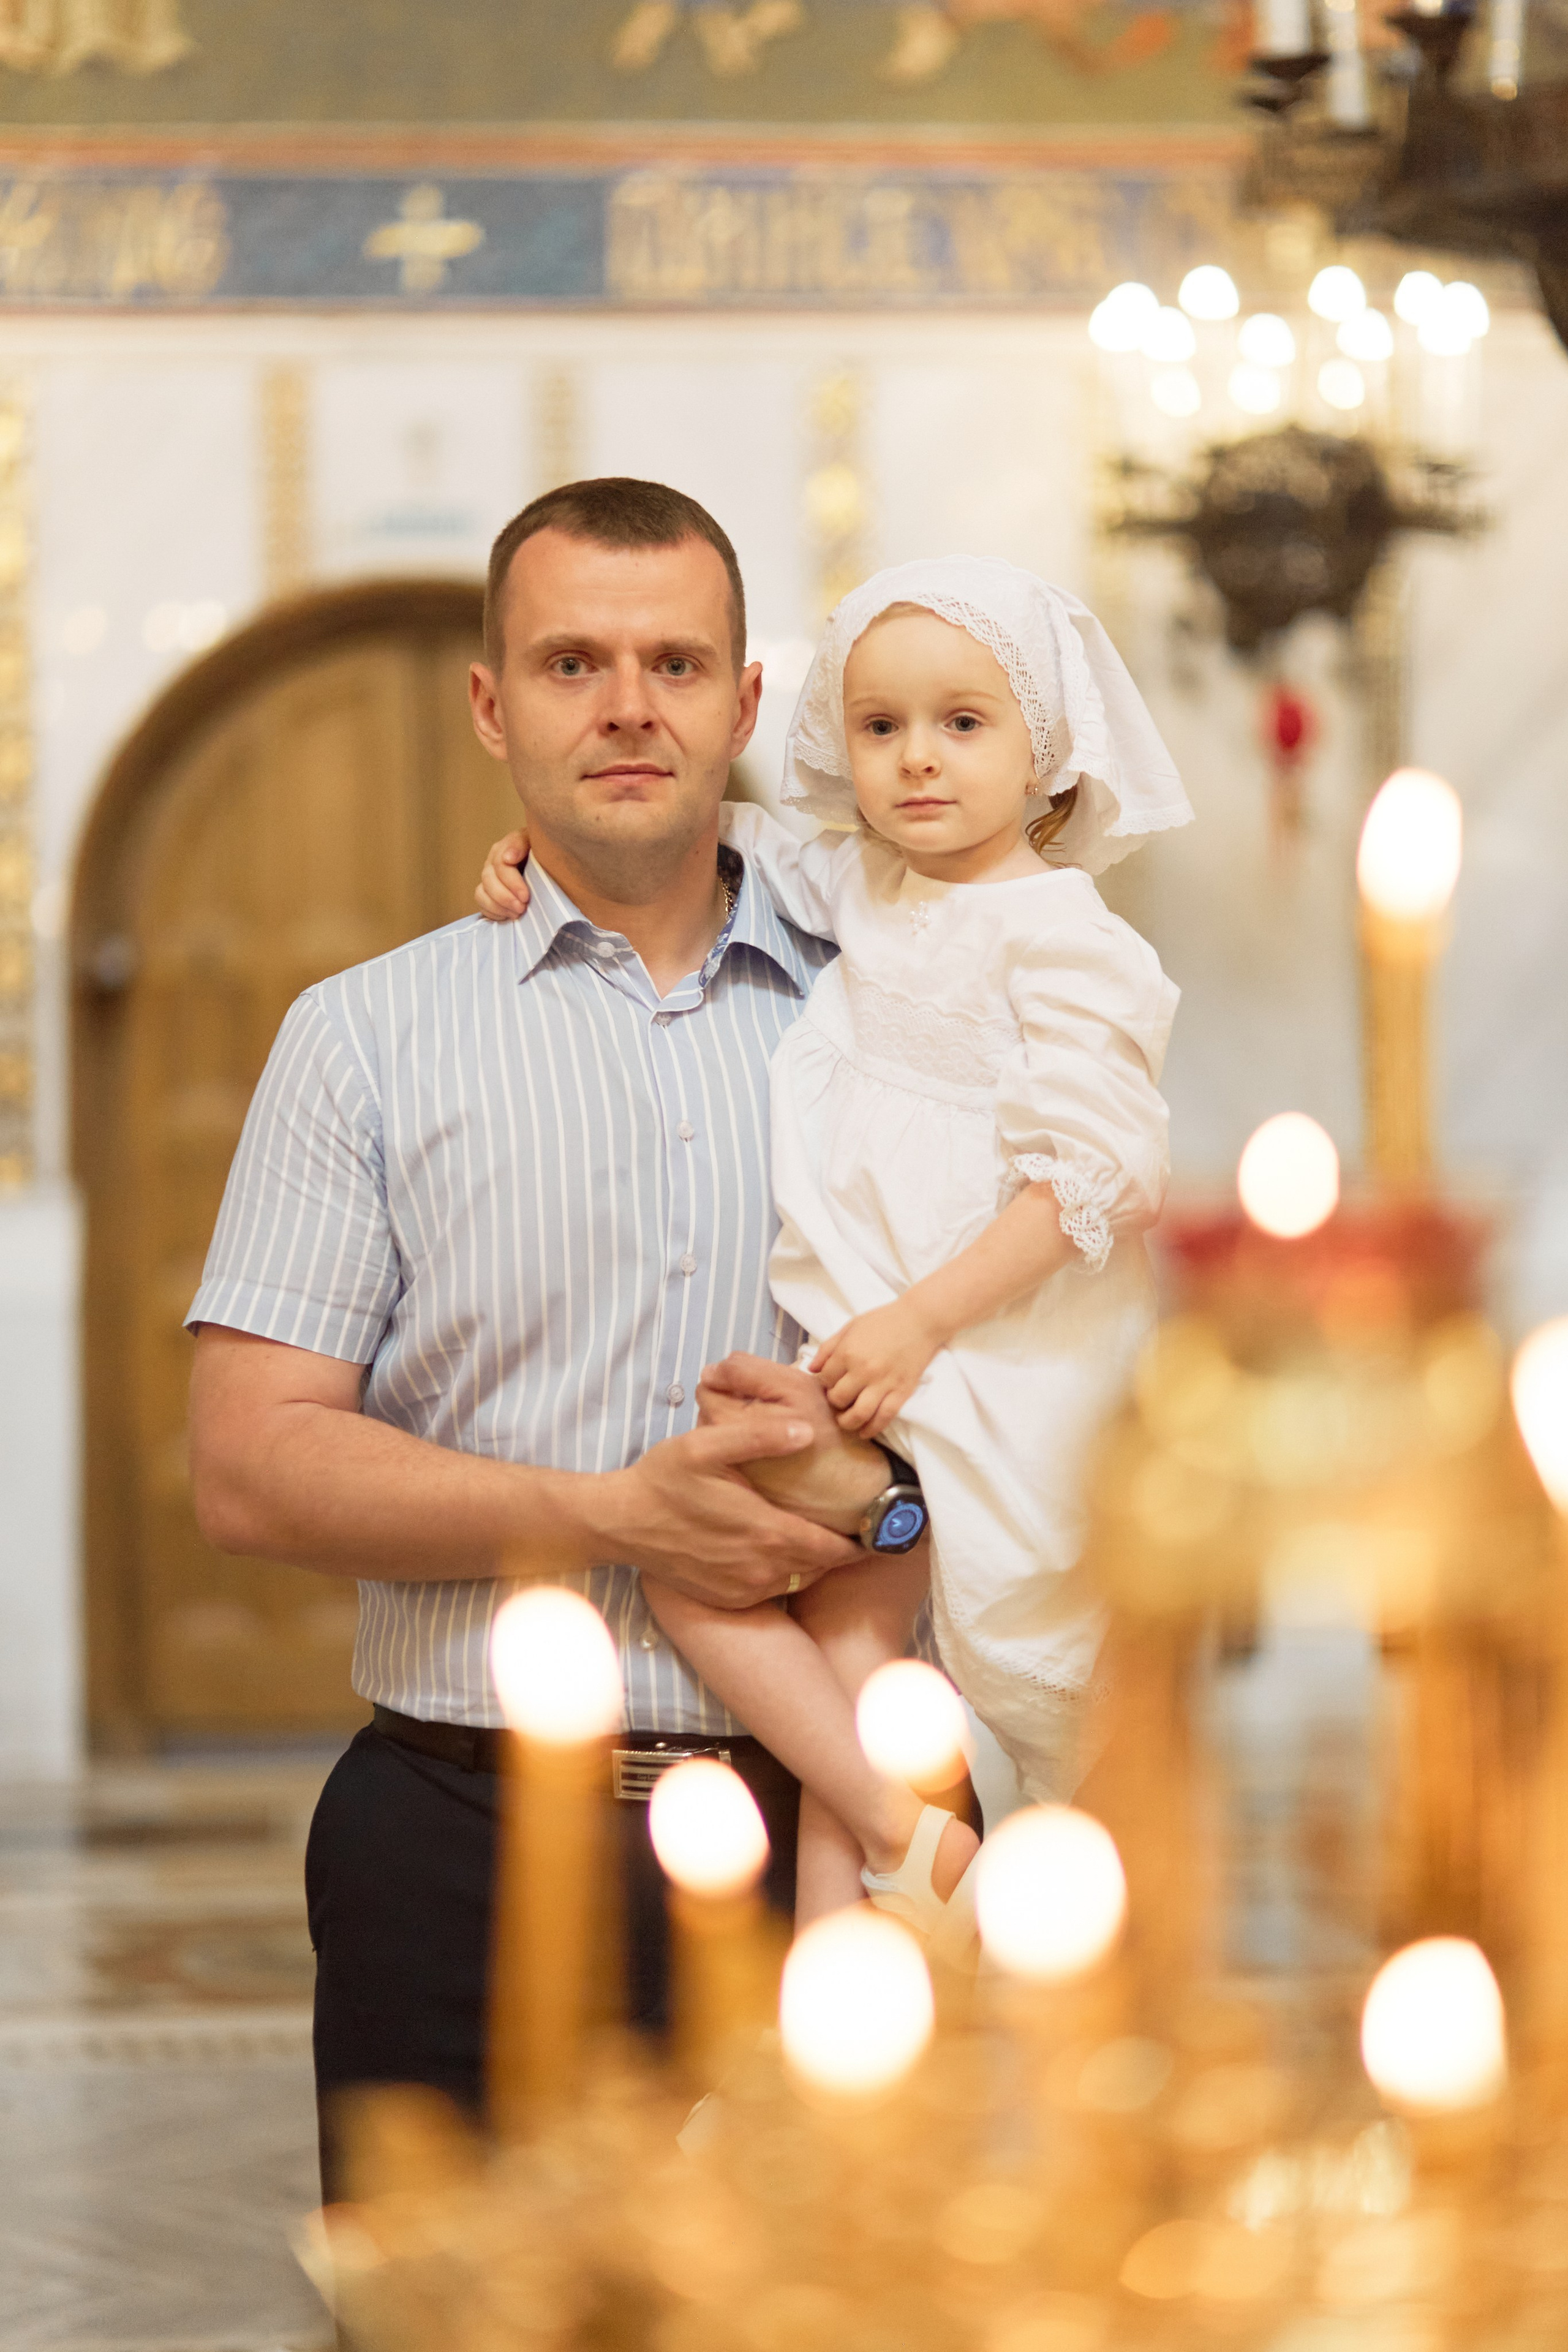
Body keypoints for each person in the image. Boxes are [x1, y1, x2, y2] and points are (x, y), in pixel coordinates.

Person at [184, 478, 925, 2196]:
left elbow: (1023, 1399)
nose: (625, 705)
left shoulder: (899, 1014)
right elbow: (249, 1469)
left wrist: (883, 1513)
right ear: (491, 705)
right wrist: (609, 1518)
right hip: (462, 1833)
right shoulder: (361, 1037)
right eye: (573, 661)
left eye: (675, 663)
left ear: (747, 707)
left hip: (818, 1819)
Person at [475, 555, 1193, 1942]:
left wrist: (920, 1325)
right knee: (826, 1637)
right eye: (878, 728)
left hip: (983, 1345)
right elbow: (693, 829)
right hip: (869, 1343)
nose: (915, 761)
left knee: (742, 1582)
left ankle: (907, 1864)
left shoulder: (1061, 937)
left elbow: (1101, 1174)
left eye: (962, 725)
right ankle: (886, 1892)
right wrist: (521, 849)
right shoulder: (858, 879)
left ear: (1043, 743)